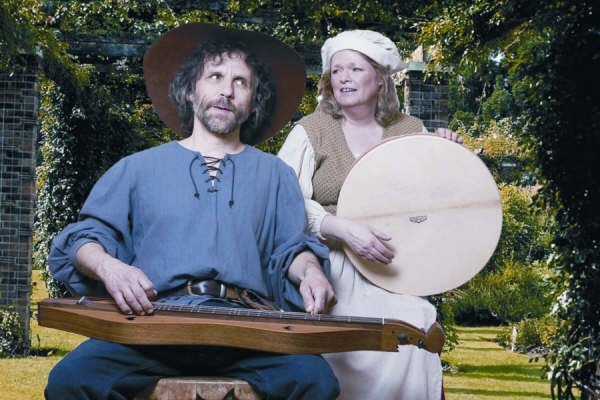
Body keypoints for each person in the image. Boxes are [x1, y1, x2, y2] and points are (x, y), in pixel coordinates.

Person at [44, 23, 339, 400]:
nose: (227, 90)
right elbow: (84, 240)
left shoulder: (276, 174)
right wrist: (109, 267)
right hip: (152, 322)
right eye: (215, 77)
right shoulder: (136, 169)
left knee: (317, 382)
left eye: (241, 82)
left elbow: (289, 250)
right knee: (71, 380)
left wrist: (311, 272)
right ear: (189, 90)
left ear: (253, 102)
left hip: (249, 329)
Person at [278, 29, 461, 400]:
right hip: (326, 265)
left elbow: (432, 204)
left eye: (355, 69)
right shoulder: (311, 131)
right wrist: (339, 227)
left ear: (380, 77)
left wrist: (448, 156)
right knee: (342, 338)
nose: (344, 78)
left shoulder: (411, 130)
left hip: (392, 266)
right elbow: (283, 200)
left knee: (414, 325)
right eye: (337, 70)